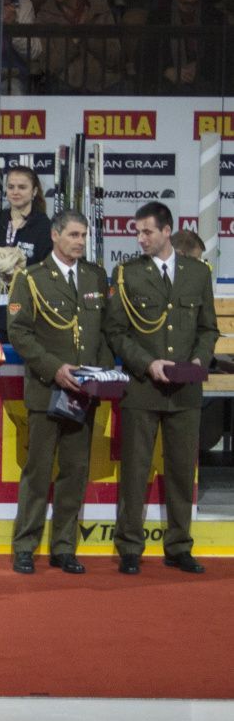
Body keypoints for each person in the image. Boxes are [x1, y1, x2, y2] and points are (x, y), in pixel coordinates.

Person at [104, 201, 218, 575]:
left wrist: (200, 360)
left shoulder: (197, 274)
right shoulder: (126, 274)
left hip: (185, 390)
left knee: (183, 472)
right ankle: (130, 547)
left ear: (168, 230)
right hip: (142, 387)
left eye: (148, 231)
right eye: (137, 232)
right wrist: (146, 363)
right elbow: (116, 332)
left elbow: (207, 328)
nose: (141, 239)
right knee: (135, 472)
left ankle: (180, 546)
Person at [6, 210, 113, 575]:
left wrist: (98, 375)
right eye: (73, 235)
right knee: (37, 472)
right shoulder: (31, 279)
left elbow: (102, 334)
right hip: (46, 389)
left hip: (84, 393)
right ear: (54, 236)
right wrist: (56, 369)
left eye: (83, 235)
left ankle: (64, 547)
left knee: (75, 471)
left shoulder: (95, 276)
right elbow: (19, 333)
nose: (80, 241)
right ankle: (25, 546)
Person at [34, 0, 122, 93]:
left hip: (105, 84)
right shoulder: (44, 17)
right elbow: (49, 65)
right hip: (65, 85)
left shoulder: (100, 10)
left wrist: (86, 35)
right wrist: (74, 39)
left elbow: (115, 58)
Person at [0, 165, 53, 295]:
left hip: (28, 300)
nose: (15, 192)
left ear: (34, 191)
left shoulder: (44, 226)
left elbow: (49, 270)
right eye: (11, 187)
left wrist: (21, 267)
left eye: (22, 187)